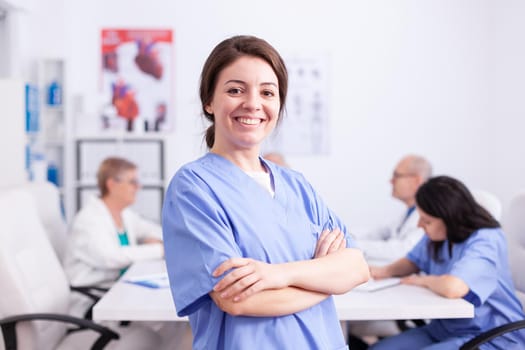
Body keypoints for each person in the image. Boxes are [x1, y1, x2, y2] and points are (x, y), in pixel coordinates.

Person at [162, 35, 369, 350]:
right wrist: (324, 282)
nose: (253, 104)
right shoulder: (193, 188)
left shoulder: (297, 185)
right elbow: (236, 300)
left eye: (267, 92)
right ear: (208, 101)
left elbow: (356, 268)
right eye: (235, 90)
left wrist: (277, 276)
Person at [368, 176, 525, 349]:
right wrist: (382, 271)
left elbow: (453, 287)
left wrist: (423, 281)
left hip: (491, 335)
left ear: (450, 218)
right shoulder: (439, 236)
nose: (420, 225)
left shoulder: (486, 240)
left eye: (427, 221)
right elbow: (413, 261)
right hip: (445, 329)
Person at [64, 157, 164, 317]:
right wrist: (159, 250)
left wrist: (156, 240)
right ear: (112, 184)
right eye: (132, 181)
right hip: (94, 300)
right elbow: (111, 257)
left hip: (118, 290)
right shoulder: (89, 220)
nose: (138, 186)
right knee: (165, 317)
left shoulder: (123, 214)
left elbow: (152, 230)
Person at [356, 155, 432, 262]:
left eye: (397, 175)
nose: (391, 181)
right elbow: (376, 233)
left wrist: (353, 244)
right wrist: (345, 236)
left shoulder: (429, 217)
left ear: (416, 181)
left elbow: (403, 250)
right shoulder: (407, 214)